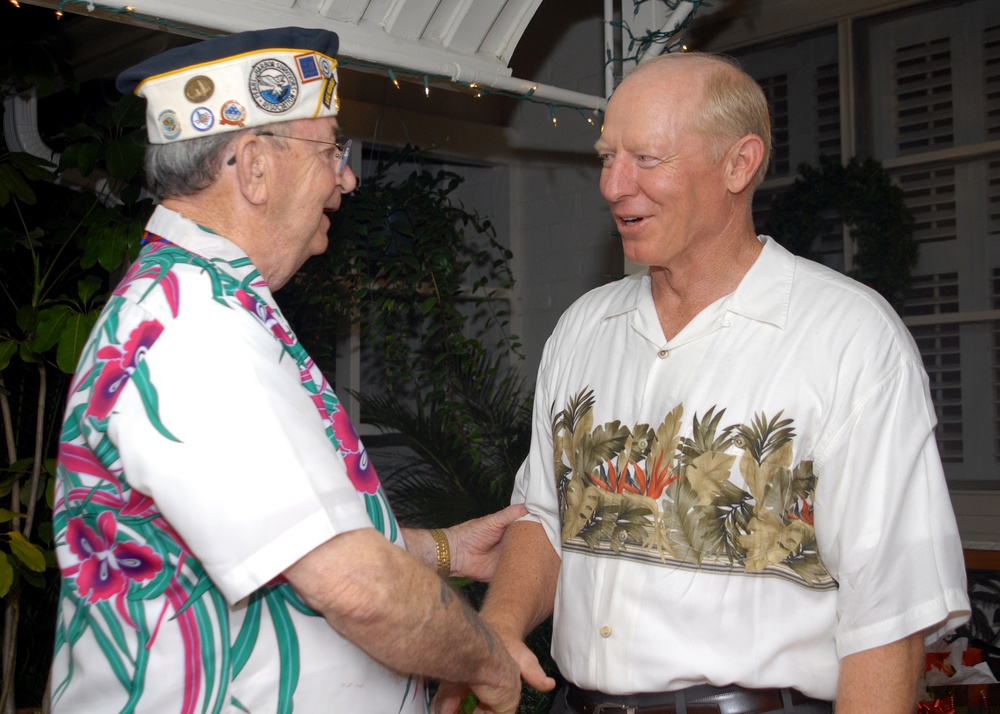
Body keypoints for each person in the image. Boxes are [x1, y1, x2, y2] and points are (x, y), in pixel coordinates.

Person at [439, 52, 972, 714]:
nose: (613, 184)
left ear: (738, 164)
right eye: (607, 157)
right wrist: (497, 632)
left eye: (647, 159)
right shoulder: (583, 329)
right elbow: (546, 518)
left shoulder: (849, 336)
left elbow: (888, 609)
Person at [49, 27, 523, 713]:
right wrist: (488, 659)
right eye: (331, 148)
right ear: (254, 167)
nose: (349, 176)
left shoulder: (204, 303)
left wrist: (447, 550)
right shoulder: (192, 329)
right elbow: (358, 588)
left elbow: (288, 536)